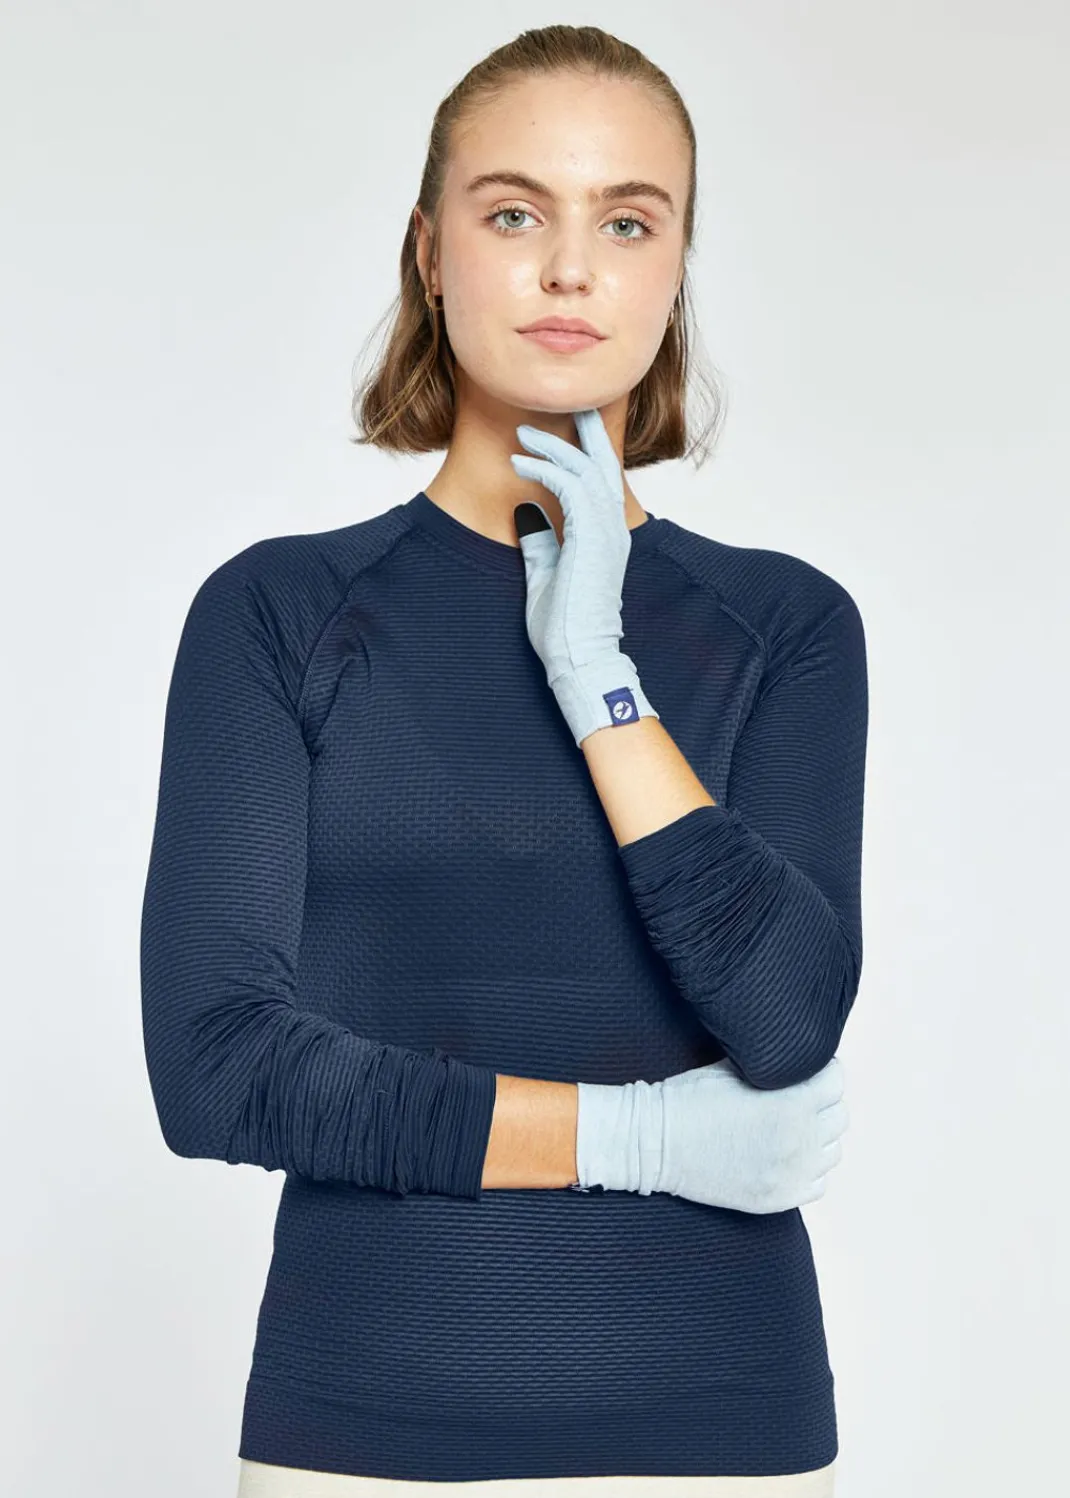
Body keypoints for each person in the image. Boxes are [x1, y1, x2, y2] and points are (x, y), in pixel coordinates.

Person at [139, 23, 868, 1498]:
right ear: (431, 251)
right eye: (516, 213)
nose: (570, 269)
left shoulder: (783, 627)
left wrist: (597, 674)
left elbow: (789, 1017)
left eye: (628, 221)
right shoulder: (278, 614)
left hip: (724, 1436)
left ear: (676, 265)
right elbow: (217, 1067)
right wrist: (639, 1136)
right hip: (360, 1436)